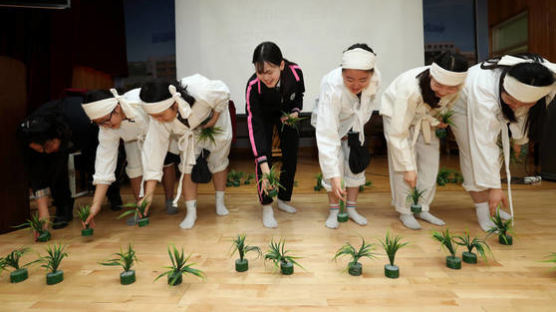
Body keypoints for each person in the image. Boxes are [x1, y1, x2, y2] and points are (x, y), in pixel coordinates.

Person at [451, 53, 556, 231]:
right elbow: (483, 142)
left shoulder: (547, 80)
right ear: (504, 89)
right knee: (472, 152)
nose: (517, 107)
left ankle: (490, 199)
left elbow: (526, 114)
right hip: (463, 105)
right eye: (511, 101)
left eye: (525, 103)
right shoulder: (483, 88)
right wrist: (495, 187)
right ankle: (483, 210)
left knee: (497, 154)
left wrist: (519, 138)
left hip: (497, 104)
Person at [380, 51, 469, 230]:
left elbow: (446, 104)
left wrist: (437, 120)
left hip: (425, 118)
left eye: (450, 88)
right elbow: (398, 134)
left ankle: (422, 207)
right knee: (403, 166)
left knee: (430, 163)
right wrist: (408, 168)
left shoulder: (458, 86)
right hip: (397, 116)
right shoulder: (409, 89)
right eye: (438, 85)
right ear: (431, 75)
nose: (443, 91)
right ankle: (405, 210)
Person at [140, 75, 232, 229]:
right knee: (187, 166)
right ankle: (191, 212)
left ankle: (220, 202)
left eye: (161, 115)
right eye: (153, 116)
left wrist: (215, 118)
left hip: (214, 121)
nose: (158, 120)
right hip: (189, 133)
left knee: (218, 161)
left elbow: (224, 92)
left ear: (175, 105)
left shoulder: (202, 92)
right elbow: (154, 155)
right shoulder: (159, 120)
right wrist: (148, 196)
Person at [312, 43, 380, 229]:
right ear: (342, 72)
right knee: (334, 171)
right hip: (331, 124)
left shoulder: (375, 79)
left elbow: (367, 105)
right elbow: (327, 132)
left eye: (362, 79)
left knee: (355, 166)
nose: (356, 85)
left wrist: (355, 129)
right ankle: (334, 210)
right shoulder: (331, 86)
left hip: (355, 126)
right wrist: (333, 174)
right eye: (349, 79)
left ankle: (351, 208)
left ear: (371, 74)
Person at [245, 41, 305, 228]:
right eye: (260, 72)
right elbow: (254, 126)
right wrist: (263, 165)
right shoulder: (253, 87)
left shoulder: (295, 72)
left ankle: (283, 200)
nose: (265, 77)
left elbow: (300, 94)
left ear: (281, 65)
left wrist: (295, 110)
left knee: (291, 154)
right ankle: (267, 207)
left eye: (269, 72)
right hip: (263, 115)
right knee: (263, 160)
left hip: (286, 113)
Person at [17, 96, 98, 229]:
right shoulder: (30, 137)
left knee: (93, 162)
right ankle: (63, 208)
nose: (46, 152)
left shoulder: (78, 119)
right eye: (42, 150)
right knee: (55, 167)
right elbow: (36, 174)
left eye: (48, 147)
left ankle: (113, 194)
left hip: (87, 128)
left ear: (56, 135)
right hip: (63, 137)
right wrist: (43, 212)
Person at [80, 88, 150, 227]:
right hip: (133, 139)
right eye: (98, 123)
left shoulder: (140, 103)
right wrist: (96, 206)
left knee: (164, 164)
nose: (105, 126)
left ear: (117, 108)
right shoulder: (106, 127)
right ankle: (142, 208)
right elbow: (104, 165)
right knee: (134, 168)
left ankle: (170, 200)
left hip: (158, 130)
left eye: (105, 121)